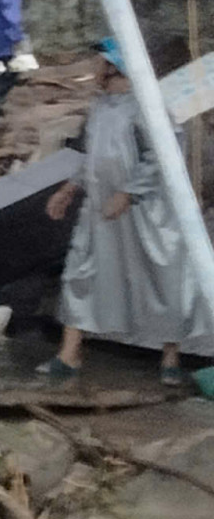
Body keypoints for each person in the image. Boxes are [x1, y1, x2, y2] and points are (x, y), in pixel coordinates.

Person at [40, 39, 205, 386]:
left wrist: (129, 194)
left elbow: (162, 155)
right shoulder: (101, 106)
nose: (93, 67)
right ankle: (69, 354)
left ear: (116, 65)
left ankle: (170, 356)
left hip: (148, 212)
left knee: (163, 278)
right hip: (100, 208)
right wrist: (70, 188)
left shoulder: (149, 106)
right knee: (81, 273)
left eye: (99, 61)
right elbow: (95, 156)